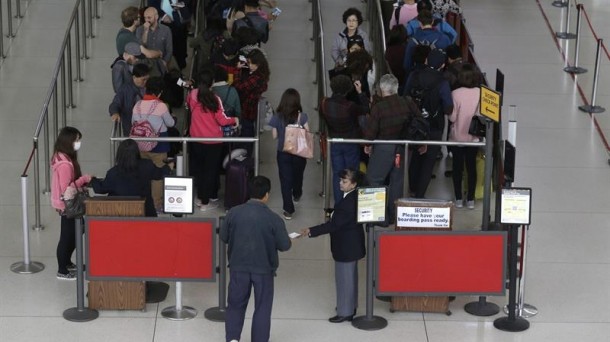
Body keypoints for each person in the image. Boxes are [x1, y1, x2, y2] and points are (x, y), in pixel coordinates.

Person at [220, 175, 292, 342]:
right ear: (267, 195)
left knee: (235, 305)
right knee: (262, 308)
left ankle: (232, 339)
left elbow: (224, 237)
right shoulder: (274, 218)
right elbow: (285, 246)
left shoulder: (233, 213)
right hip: (264, 270)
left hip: (238, 267)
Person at [300, 168, 366, 323]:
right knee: (351, 278)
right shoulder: (355, 196)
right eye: (340, 180)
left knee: (344, 279)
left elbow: (334, 225)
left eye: (344, 181)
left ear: (353, 184)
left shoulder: (347, 203)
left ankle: (345, 312)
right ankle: (351, 305)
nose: (340, 183)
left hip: (345, 247)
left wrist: (311, 231)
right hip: (353, 244)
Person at [364, 74, 420, 224]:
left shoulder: (379, 108)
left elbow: (370, 133)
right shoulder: (407, 102)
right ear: (396, 88)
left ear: (382, 90)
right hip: (404, 147)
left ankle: (380, 217)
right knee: (398, 182)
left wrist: (367, 145)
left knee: (374, 179)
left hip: (384, 147)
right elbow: (419, 121)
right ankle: (395, 215)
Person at [187, 68, 239, 211]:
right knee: (210, 171)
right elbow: (222, 120)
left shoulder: (192, 95)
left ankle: (199, 197)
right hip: (213, 141)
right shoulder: (215, 99)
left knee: (199, 169)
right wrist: (235, 119)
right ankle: (205, 202)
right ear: (212, 83)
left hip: (195, 139)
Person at [405, 49, 454, 198]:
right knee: (428, 161)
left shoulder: (414, 75)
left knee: (415, 157)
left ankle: (412, 188)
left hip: (414, 124)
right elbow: (448, 108)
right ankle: (420, 194)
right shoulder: (443, 83)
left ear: (426, 60)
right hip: (434, 126)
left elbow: (405, 95)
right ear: (443, 65)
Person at [90, 139, 174, 217]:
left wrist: (92, 179)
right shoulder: (147, 165)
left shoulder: (113, 172)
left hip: (120, 215)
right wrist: (169, 167)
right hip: (146, 214)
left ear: (119, 154)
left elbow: (100, 189)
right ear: (137, 152)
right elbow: (159, 174)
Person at [51, 127, 91, 280]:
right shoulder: (66, 165)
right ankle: (62, 270)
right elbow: (67, 189)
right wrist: (84, 179)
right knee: (67, 237)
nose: (78, 143)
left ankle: (67, 263)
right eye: (77, 140)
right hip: (68, 205)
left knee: (75, 232)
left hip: (63, 204)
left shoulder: (60, 157)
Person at [131, 76, 176, 212]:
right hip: (159, 145)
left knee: (144, 173)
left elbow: (133, 123)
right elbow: (170, 123)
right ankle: (156, 205)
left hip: (140, 144)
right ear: (160, 92)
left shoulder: (137, 105)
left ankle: (143, 202)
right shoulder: (161, 106)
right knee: (158, 175)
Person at [321, 75, 364, 205]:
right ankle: (350, 203)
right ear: (347, 89)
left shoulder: (324, 103)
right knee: (351, 173)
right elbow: (366, 109)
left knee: (337, 175)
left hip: (334, 141)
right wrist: (360, 93)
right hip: (351, 142)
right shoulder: (350, 106)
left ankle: (338, 205)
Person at [269, 88, 309, 220]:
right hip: (299, 153)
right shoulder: (302, 116)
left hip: (283, 152)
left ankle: (288, 209)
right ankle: (297, 193)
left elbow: (274, 136)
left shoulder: (277, 117)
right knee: (298, 175)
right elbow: (307, 132)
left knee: (285, 180)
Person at [448, 64, 482, 209]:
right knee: (471, 168)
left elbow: (452, 117)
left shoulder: (455, 93)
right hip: (473, 138)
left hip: (457, 138)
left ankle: (458, 198)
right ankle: (470, 200)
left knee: (457, 168)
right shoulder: (480, 92)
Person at [233, 49, 270, 139]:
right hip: (251, 108)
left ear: (258, 64)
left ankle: (246, 151)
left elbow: (239, 86)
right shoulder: (262, 73)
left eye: (250, 63)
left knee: (246, 133)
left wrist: (237, 71)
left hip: (247, 109)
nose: (248, 65)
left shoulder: (256, 78)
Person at [147, 0, 192, 69]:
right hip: (164, 23)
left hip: (180, 21)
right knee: (167, 48)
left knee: (180, 46)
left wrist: (182, 4)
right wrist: (163, 15)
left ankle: (180, 68)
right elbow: (152, 4)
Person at [109, 63, 150, 136]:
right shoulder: (124, 89)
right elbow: (115, 103)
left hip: (149, 128)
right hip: (130, 129)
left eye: (147, 79)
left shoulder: (150, 87)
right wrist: (115, 113)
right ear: (134, 77)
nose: (146, 82)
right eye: (143, 79)